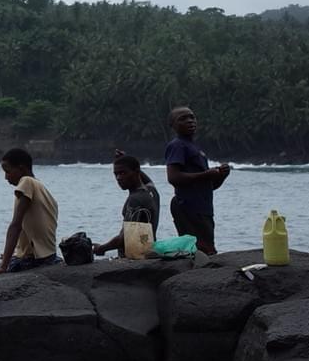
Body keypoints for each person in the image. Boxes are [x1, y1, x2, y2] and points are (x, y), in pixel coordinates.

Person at [0, 147, 59, 278]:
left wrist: (4, 266)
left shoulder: (27, 182)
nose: (5, 177)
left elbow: (16, 225)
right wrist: (16, 253)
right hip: (49, 256)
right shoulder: (43, 189)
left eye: (8, 171)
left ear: (21, 169)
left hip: (34, 260)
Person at [164, 106, 230, 255]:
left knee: (206, 248)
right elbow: (173, 177)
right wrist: (206, 174)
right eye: (183, 119)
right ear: (173, 125)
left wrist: (221, 176)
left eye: (192, 117)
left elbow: (207, 186)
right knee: (203, 250)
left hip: (203, 207)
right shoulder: (177, 145)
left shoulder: (194, 147)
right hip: (188, 206)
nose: (190, 121)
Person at [94, 154, 162, 257]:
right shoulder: (151, 191)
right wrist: (126, 158)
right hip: (149, 250)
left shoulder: (135, 200)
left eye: (123, 173)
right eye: (116, 174)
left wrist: (101, 248)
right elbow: (149, 181)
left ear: (136, 172)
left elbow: (124, 238)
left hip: (136, 256)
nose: (119, 178)